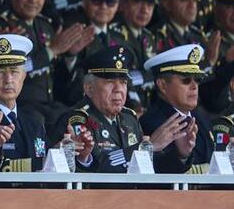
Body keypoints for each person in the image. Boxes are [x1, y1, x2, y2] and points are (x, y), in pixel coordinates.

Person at [53, 45, 163, 173]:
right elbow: (99, 167)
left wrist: (181, 155)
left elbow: (146, 168)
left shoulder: (129, 118)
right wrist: (145, 148)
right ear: (89, 88)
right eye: (110, 82)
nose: (119, 89)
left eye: (123, 82)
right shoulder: (77, 119)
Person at [0, 34, 50, 172]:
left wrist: (62, 152)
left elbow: (45, 168)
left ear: (24, 76)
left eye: (14, 72)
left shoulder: (34, 123)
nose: (8, 80)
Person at [140, 43, 215, 173]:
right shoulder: (152, 122)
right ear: (162, 85)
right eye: (186, 80)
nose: (194, 86)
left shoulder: (201, 117)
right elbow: (159, 173)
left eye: (197, 79)